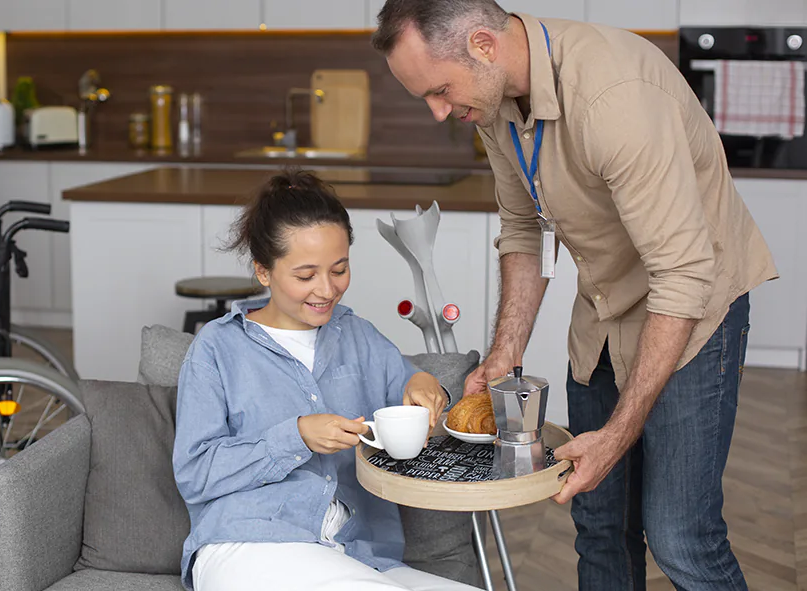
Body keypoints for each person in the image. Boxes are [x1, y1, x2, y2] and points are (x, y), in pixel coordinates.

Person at [370, 2, 777, 590]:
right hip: (604, 311)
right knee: (599, 522)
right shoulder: (490, 103)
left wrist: (618, 433)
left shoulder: (613, 96)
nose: (438, 111)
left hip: (694, 311)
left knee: (680, 537)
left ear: (483, 46)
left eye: (439, 90)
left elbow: (683, 273)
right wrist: (504, 353)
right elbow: (522, 229)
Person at [171, 169, 481, 591]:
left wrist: (427, 383)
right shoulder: (217, 348)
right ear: (263, 271)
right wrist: (295, 436)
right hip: (248, 542)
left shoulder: (358, 336)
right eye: (305, 275)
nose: (327, 289)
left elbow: (406, 386)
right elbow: (195, 473)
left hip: (358, 553)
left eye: (339, 269)